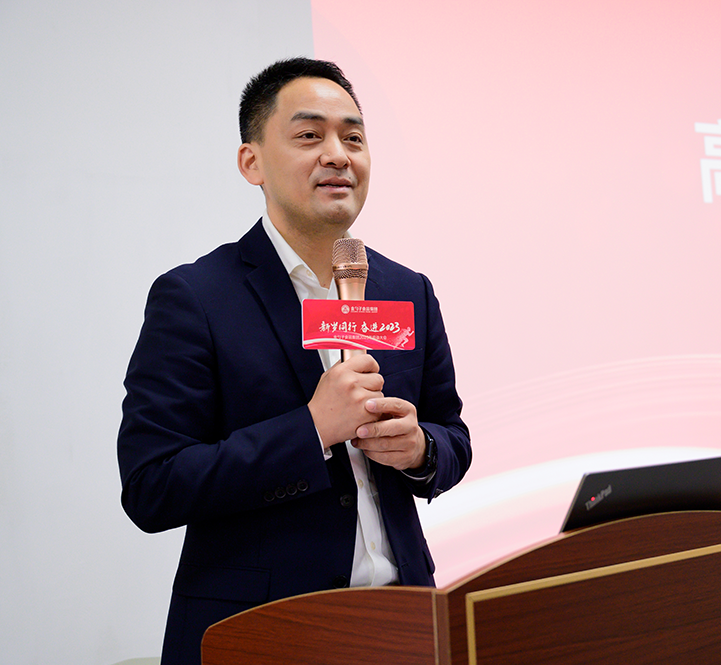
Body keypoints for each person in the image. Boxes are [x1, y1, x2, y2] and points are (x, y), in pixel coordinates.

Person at [117, 57, 472, 665]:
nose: (338, 155)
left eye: (353, 138)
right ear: (251, 162)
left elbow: (453, 436)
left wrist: (420, 450)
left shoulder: (406, 290)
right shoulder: (197, 297)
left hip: (405, 623)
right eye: (309, 135)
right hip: (264, 632)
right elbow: (153, 485)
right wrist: (310, 429)